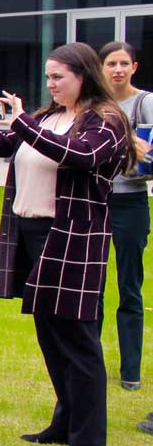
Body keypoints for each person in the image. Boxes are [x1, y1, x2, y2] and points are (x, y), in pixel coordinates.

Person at [0, 42, 131, 446]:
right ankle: (65, 421)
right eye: (48, 76)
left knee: (78, 344)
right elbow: (8, 146)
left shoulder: (105, 119)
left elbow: (80, 155)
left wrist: (22, 122)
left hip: (72, 238)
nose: (51, 84)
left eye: (59, 76)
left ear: (84, 75)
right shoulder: (48, 116)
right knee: (51, 337)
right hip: (33, 232)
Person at [98, 41, 153, 391]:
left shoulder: (145, 103)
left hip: (131, 202)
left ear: (134, 67)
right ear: (101, 68)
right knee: (92, 288)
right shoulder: (95, 104)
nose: (117, 69)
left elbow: (150, 157)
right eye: (111, 63)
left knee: (129, 288)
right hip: (97, 202)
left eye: (124, 63)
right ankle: (92, 368)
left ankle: (130, 372)